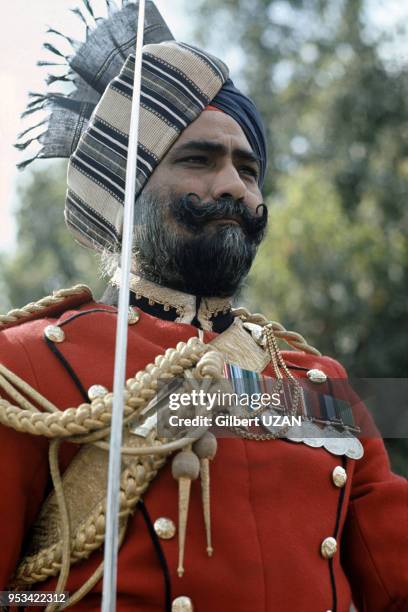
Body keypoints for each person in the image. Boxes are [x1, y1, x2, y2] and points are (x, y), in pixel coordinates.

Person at [0, 2, 406, 611]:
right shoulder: (24, 368)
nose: (232, 187)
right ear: (125, 194)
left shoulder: (321, 387)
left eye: (248, 169)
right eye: (198, 160)